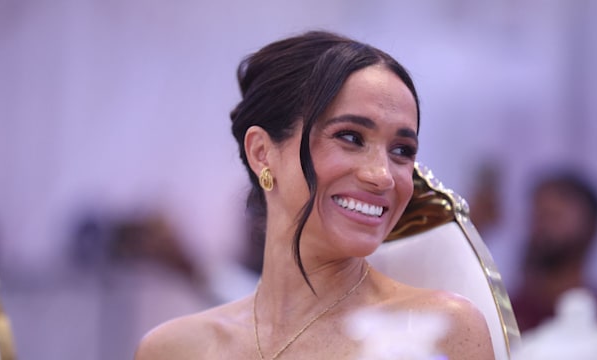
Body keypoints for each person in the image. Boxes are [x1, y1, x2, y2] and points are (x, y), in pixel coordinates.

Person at [134, 30, 493, 359]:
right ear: (262, 153)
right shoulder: (172, 349)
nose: (382, 176)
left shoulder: (440, 331)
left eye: (401, 150)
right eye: (351, 137)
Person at [510, 169, 597, 341]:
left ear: (591, 228)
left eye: (555, 217)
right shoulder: (509, 314)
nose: (543, 228)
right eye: (538, 216)